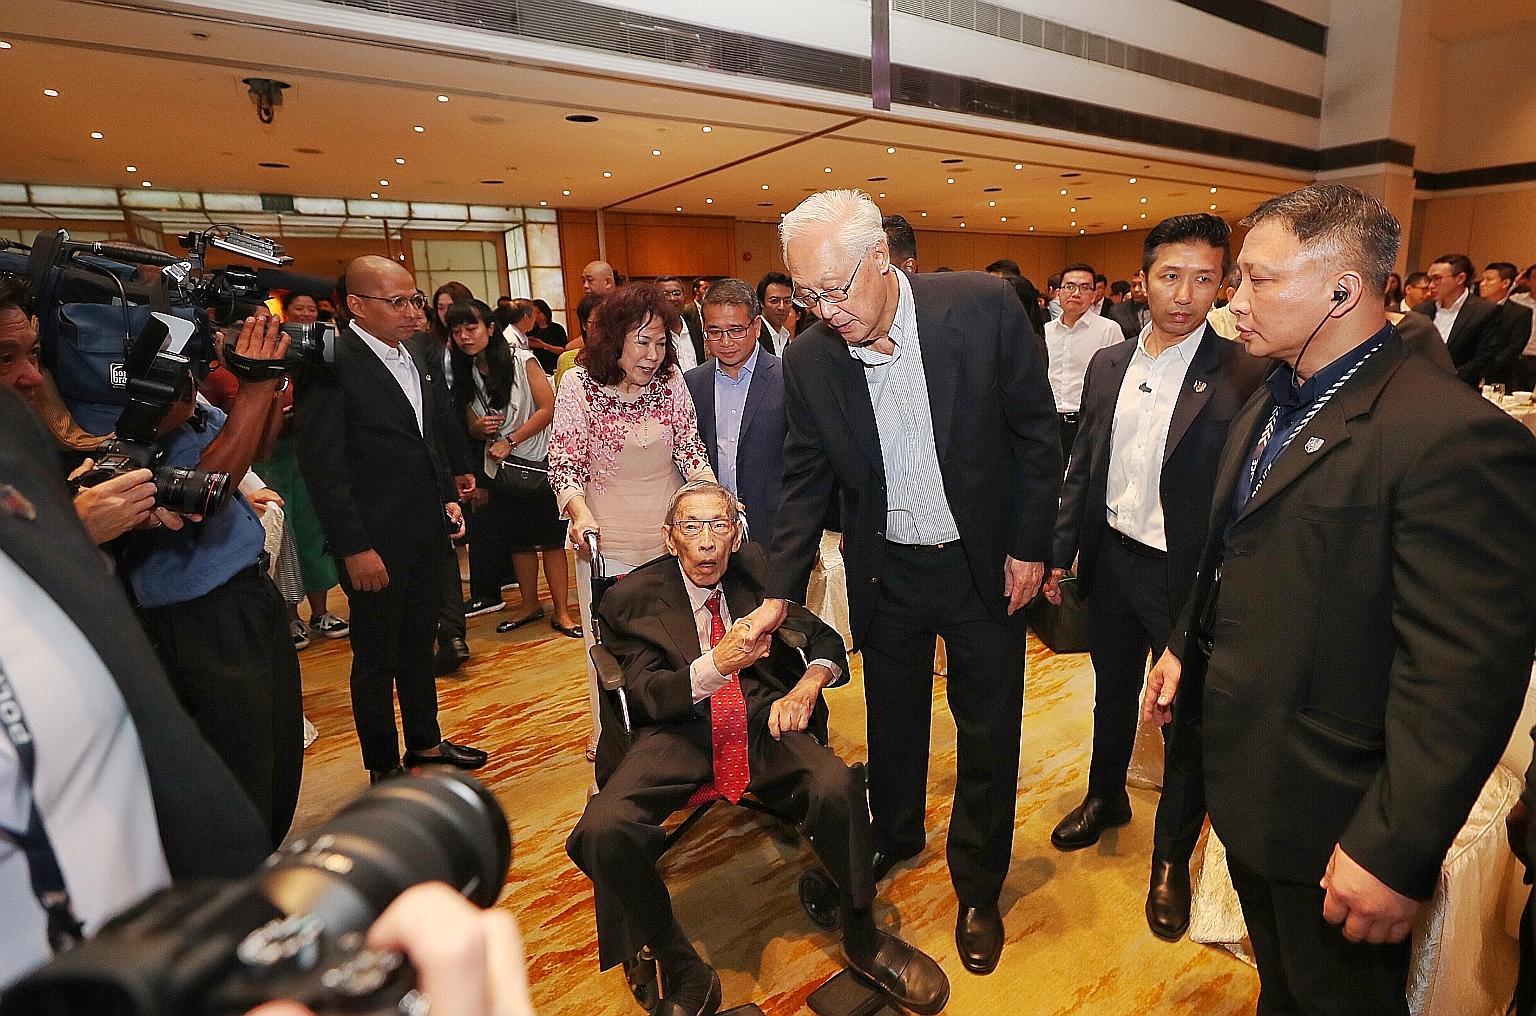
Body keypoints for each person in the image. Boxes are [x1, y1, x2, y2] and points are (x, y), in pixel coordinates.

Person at [1143, 184, 1536, 1015]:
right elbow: (1228, 554)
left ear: (1342, 291)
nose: (1232, 303)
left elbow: (1463, 671)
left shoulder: (1449, 435)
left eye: (1256, 281)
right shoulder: (1270, 398)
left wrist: (1393, 849)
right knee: (1280, 990)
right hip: (1248, 778)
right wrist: (1184, 641)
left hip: (1336, 811)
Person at [768, 189, 1059, 975]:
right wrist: (776, 589)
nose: (824, 310)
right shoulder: (810, 357)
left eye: (835, 289)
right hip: (886, 567)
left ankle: (979, 885)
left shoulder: (984, 307)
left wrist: (1032, 546)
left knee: (988, 727)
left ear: (886, 261)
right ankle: (895, 835)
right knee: (893, 719)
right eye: (806, 294)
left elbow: (1037, 435)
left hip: (983, 565)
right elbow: (802, 477)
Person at [566, 481, 949, 1016]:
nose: (706, 543)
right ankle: (681, 965)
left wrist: (804, 687)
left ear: (735, 533)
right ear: (669, 537)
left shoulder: (760, 574)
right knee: (604, 829)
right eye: (691, 528)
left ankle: (863, 935)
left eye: (718, 526)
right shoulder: (629, 600)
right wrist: (714, 665)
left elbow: (825, 642)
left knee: (837, 785)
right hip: (677, 728)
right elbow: (651, 695)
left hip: (761, 717)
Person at [1044, 213, 1270, 942]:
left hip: (1186, 575)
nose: (1186, 294)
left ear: (1222, 286)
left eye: (1205, 279)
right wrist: (1060, 552)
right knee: (1111, 693)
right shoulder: (1111, 362)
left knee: (1183, 721)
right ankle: (1106, 795)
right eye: (1171, 276)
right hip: (1111, 559)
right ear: (1141, 281)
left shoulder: (1242, 372)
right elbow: (1084, 462)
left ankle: (1171, 856)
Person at [0, 385, 269, 989]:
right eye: (5, 358)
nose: (26, 379)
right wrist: (75, 530)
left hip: (150, 932)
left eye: (28, 355)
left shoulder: (14, 438)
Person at [59, 303, 304, 849]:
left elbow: (252, 450)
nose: (184, 375)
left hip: (246, 592)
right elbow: (207, 491)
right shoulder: (103, 425)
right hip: (196, 618)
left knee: (278, 754)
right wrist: (256, 394)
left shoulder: (188, 406)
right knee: (240, 774)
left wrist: (260, 391)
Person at [296, 255, 487, 784]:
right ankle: (382, 765)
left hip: (424, 527)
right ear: (357, 306)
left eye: (414, 300)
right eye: (396, 302)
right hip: (373, 540)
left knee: (418, 642)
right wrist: (354, 547)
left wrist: (447, 491)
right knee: (376, 657)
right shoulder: (333, 364)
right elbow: (324, 467)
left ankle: (425, 742)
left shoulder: (417, 354)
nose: (412, 311)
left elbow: (425, 437)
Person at [549, 283, 715, 763]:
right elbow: (565, 464)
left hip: (668, 541)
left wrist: (712, 498)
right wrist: (579, 513)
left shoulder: (671, 383)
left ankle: (670, 730)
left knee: (673, 640)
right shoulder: (579, 386)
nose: (653, 354)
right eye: (642, 341)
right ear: (615, 339)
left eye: (662, 342)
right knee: (610, 645)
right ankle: (609, 734)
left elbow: (690, 450)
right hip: (608, 541)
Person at [447, 299, 579, 638]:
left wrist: (512, 440)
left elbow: (549, 408)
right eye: (457, 330)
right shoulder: (465, 371)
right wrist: (478, 429)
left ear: (490, 329)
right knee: (518, 542)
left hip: (538, 462)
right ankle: (529, 604)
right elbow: (467, 418)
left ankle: (562, 612)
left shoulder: (522, 360)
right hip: (500, 469)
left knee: (551, 540)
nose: (464, 336)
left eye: (471, 327)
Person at [683, 279, 785, 544]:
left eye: (736, 330)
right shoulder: (692, 383)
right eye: (714, 331)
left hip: (774, 527)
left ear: (757, 326)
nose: (725, 341)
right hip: (710, 532)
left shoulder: (788, 378)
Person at [1044, 262, 1124, 463]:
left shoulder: (1109, 330)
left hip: (1087, 424)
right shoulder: (1045, 332)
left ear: (1094, 294)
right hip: (1049, 422)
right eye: (1069, 286)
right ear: (1058, 292)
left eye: (1085, 288)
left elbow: (1119, 380)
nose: (1076, 293)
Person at [1413, 253, 1505, 386]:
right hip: (1421, 385)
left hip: (1462, 389)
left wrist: (1447, 379)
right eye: (1429, 280)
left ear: (1460, 278)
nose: (1431, 285)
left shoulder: (1485, 311)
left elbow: (1484, 357)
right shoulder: (1421, 309)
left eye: (1437, 278)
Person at [1479, 260, 1534, 386]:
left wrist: (1483, 368)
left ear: (1505, 283)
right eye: (1482, 279)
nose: (1482, 284)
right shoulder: (1473, 308)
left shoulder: (1520, 312)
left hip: (1502, 376)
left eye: (1489, 279)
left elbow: (1513, 348)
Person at [655, 275, 702, 370]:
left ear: (684, 296)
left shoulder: (696, 330)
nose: (672, 298)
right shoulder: (654, 334)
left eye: (676, 293)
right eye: (665, 294)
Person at [755, 270, 795, 354]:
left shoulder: (785, 335)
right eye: (774, 301)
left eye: (787, 301)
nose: (782, 307)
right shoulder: (755, 335)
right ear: (762, 302)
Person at [528, 297, 568, 376]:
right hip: (537, 369)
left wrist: (544, 346)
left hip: (555, 367)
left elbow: (563, 350)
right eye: (533, 313)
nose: (535, 316)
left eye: (538, 312)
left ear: (545, 312)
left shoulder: (556, 328)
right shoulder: (530, 330)